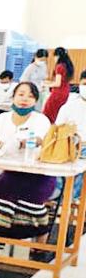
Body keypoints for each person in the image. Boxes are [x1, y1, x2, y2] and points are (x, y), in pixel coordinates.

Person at [0, 82, 53, 259]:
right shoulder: (2, 118)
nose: (25, 99)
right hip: (12, 172)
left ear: (35, 101)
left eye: (30, 96)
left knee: (29, 201)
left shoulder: (40, 120)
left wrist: (24, 142)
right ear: (13, 97)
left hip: (39, 174)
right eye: (21, 94)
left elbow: (41, 140)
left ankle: (40, 240)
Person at [51, 69, 86, 202]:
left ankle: (70, 199)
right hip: (68, 146)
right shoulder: (69, 106)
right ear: (79, 84)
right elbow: (57, 130)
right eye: (85, 84)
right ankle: (62, 196)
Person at [43, 47, 75, 122]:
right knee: (57, 112)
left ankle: (48, 127)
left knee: (49, 112)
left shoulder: (59, 66)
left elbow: (57, 83)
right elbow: (62, 81)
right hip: (65, 92)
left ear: (58, 56)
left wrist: (46, 85)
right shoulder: (67, 66)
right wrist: (49, 82)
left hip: (58, 93)